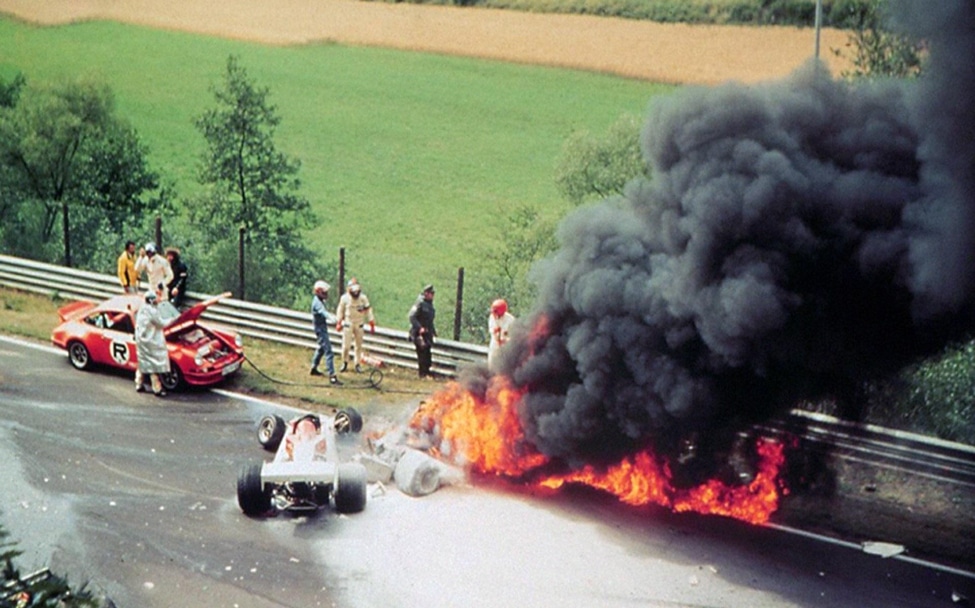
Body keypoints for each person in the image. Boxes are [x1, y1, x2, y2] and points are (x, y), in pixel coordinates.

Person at [134, 291, 171, 397]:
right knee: (153, 365)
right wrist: (172, 318)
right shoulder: (152, 311)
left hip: (141, 340)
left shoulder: (142, 309)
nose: (157, 300)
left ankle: (138, 383)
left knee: (142, 362)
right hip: (150, 341)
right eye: (155, 298)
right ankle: (157, 388)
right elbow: (162, 323)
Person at [336, 278, 376, 373]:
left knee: (358, 346)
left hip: (359, 323)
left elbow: (368, 310)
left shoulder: (363, 298)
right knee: (346, 345)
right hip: (348, 322)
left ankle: (357, 364)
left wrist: (372, 323)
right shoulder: (344, 298)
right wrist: (339, 322)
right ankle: (345, 362)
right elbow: (340, 310)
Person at [310, 280, 342, 385]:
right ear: (318, 291)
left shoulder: (319, 301)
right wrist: (334, 319)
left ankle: (313, 368)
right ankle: (332, 376)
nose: (326, 294)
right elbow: (323, 313)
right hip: (320, 330)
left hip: (321, 328)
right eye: (324, 292)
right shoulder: (317, 303)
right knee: (329, 352)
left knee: (321, 348)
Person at [408, 284, 436, 378]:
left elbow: (429, 320)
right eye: (431, 293)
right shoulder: (419, 303)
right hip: (418, 333)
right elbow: (412, 317)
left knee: (427, 353)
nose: (433, 295)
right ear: (426, 293)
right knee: (422, 353)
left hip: (427, 333)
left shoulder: (430, 305)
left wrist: (433, 331)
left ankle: (427, 371)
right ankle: (422, 373)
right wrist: (419, 327)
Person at [487, 298, 515, 370]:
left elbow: (514, 335)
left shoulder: (510, 320)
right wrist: (498, 338)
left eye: (496, 311)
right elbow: (493, 332)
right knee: (491, 363)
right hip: (495, 344)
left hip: (506, 346)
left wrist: (505, 340)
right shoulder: (492, 317)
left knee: (504, 366)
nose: (494, 313)